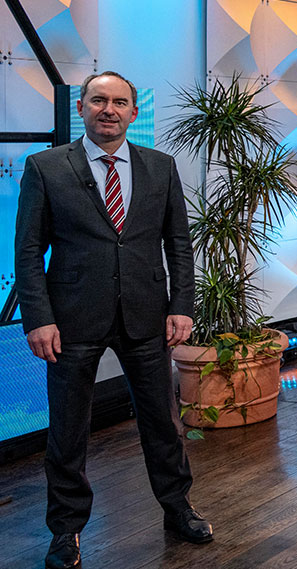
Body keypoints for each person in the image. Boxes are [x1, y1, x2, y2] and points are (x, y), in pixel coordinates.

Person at [15, 71, 210, 569]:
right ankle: (65, 531)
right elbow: (29, 250)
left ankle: (177, 508)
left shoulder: (160, 167)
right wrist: (38, 317)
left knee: (163, 425)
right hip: (71, 319)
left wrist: (182, 305)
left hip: (147, 316)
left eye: (119, 102)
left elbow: (179, 246)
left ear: (133, 112)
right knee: (67, 431)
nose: (109, 109)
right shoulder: (45, 167)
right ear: (80, 107)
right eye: (98, 100)